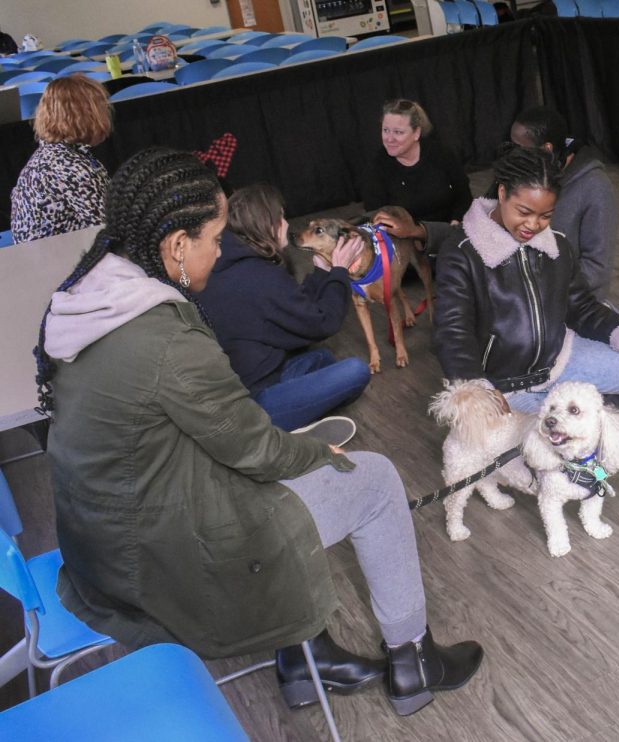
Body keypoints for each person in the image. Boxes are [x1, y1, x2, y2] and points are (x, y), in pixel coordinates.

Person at [35, 148, 482, 717]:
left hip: (100, 546)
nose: (221, 252)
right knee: (373, 479)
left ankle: (304, 658)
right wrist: (317, 450)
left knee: (277, 469)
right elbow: (254, 448)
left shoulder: (87, 297)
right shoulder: (165, 337)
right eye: (216, 239)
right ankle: (413, 662)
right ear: (176, 246)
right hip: (158, 560)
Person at [434, 145, 619, 413]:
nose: (533, 225)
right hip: (505, 386)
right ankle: (595, 413)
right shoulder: (461, 251)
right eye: (524, 212)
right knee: (534, 445)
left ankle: (591, 412)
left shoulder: (557, 245)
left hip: (563, 361)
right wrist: (477, 389)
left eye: (546, 216)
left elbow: (581, 307)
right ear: (502, 193)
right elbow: (452, 331)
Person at [198, 183, 370, 440]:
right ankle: (284, 436)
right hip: (252, 405)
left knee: (322, 358)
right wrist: (340, 271)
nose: (288, 225)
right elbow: (322, 322)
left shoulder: (228, 260)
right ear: (266, 223)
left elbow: (292, 307)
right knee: (357, 371)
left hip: (241, 384)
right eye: (281, 217)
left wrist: (323, 271)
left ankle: (295, 419)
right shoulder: (260, 277)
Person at [511, 106, 618, 301]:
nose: (514, 155)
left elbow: (597, 269)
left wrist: (541, 288)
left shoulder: (595, 186)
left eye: (521, 149)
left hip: (569, 301)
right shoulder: (524, 175)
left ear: (546, 149)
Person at [10, 75, 111, 243]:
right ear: (86, 116)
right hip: (59, 261)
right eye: (102, 108)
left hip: (38, 257)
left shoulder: (48, 154)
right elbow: (110, 230)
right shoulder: (71, 169)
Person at [361, 99, 472, 224]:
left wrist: (455, 221)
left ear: (416, 133)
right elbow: (377, 216)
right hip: (407, 237)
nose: (389, 139)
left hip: (450, 227)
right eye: (385, 130)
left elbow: (464, 196)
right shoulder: (376, 167)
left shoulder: (441, 153)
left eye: (398, 132)